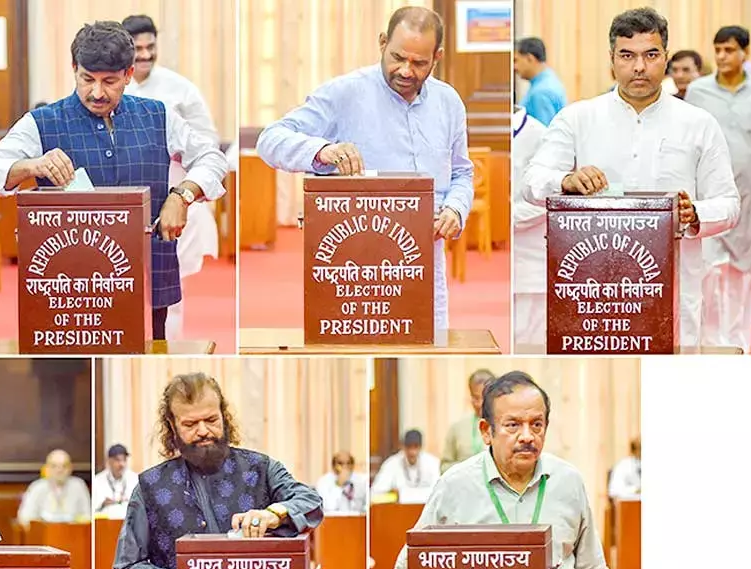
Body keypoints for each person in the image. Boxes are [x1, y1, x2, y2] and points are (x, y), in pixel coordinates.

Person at [0, 21, 227, 340]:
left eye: (110, 81)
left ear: (129, 75)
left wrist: (183, 195)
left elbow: (212, 158)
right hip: (71, 286)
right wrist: (31, 166)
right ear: (74, 68)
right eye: (87, 79)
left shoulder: (158, 116)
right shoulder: (43, 122)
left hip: (149, 274)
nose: (97, 92)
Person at [383, 371, 620, 569]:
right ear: (486, 431)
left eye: (537, 424)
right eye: (513, 425)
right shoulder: (455, 486)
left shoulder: (568, 482)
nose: (527, 436)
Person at [522, 7, 740, 348]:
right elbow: (531, 181)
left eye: (650, 54)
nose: (639, 67)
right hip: (592, 292)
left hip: (675, 286)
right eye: (627, 55)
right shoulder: (577, 118)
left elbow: (729, 204)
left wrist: (694, 212)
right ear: (612, 59)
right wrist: (566, 180)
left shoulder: (698, 123)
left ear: (665, 58)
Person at [255, 6, 473, 335]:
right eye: (398, 57)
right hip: (353, 270)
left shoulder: (449, 103)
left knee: (427, 341)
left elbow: (462, 174)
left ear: (437, 56)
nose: (406, 71)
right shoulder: (346, 92)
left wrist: (456, 208)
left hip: (424, 261)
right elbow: (269, 140)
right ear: (383, 42)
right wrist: (322, 151)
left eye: (419, 63)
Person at [113, 372, 324, 569]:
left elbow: (311, 502)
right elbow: (128, 562)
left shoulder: (261, 468)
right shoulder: (150, 486)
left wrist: (273, 513)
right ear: (172, 427)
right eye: (189, 424)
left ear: (224, 415)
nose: (202, 432)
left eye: (211, 419)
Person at [122, 14, 221, 341]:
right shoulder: (108, 87)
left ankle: (171, 348)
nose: (146, 55)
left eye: (151, 47)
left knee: (170, 294)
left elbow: (208, 144)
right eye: (138, 48)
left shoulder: (180, 89)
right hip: (125, 205)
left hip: (176, 204)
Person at [685, 26, 751, 354]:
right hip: (707, 197)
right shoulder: (698, 92)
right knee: (708, 272)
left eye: (729, 50)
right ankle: (712, 344)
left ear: (745, 53)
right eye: (718, 50)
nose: (722, 56)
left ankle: (740, 347)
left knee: (741, 273)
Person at [510, 104, 547, 348]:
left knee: (529, 339)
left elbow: (548, 197)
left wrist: (507, 217)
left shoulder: (540, 136)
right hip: (506, 265)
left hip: (531, 256)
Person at [440, 368, 496, 473]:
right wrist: (466, 468)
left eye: (484, 398)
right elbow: (444, 467)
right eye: (475, 398)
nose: (479, 404)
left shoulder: (503, 426)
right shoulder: (457, 427)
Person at [17, 449, 92, 524]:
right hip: (45, 533)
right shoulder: (37, 487)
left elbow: (87, 515)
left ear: (70, 468)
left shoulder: (78, 485)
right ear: (47, 468)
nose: (59, 470)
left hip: (73, 532)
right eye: (54, 466)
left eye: (64, 466)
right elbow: (25, 517)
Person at [371, 429, 442, 502]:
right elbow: (375, 493)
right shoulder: (391, 463)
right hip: (398, 511)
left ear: (421, 447)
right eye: (409, 447)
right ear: (402, 447)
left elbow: (439, 492)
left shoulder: (432, 462)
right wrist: (393, 495)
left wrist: (402, 494)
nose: (412, 452)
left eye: (415, 447)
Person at [514, 36, 566, 125]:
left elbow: (542, 134)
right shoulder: (547, 80)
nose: (514, 67)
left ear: (530, 58)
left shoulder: (541, 92)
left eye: (515, 60)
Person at [93, 443, 140, 513]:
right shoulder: (97, 480)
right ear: (109, 461)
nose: (122, 464)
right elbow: (94, 508)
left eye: (124, 460)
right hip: (107, 521)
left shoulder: (135, 479)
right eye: (117, 460)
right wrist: (103, 504)